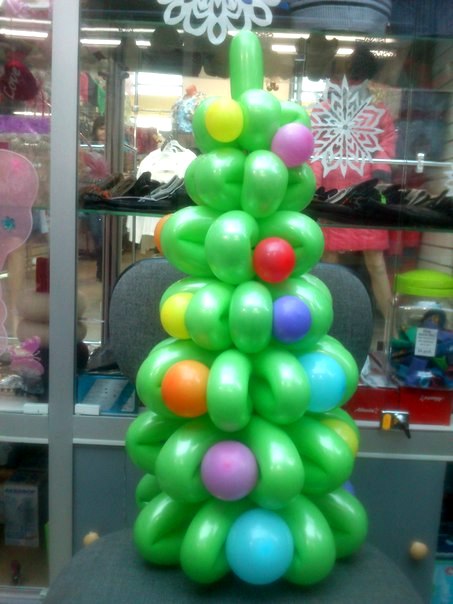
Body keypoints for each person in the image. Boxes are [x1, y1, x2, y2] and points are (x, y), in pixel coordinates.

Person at [310, 46, 396, 318]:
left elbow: (386, 139)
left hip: (365, 190)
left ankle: (392, 324)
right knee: (330, 259)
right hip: (333, 190)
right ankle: (329, 320)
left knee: (375, 261)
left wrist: (380, 169)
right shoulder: (324, 111)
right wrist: (315, 180)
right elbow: (315, 147)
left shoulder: (376, 111)